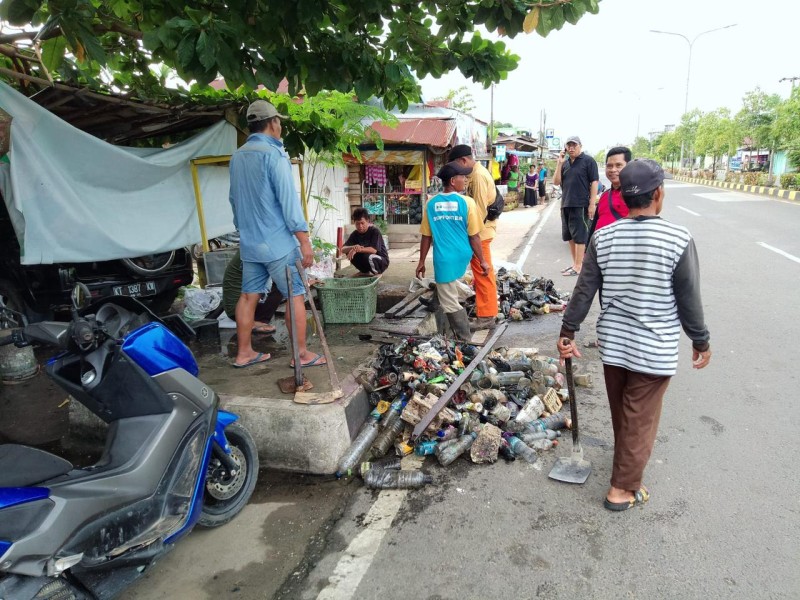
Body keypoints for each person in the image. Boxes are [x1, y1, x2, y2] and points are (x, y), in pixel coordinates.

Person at [556, 159, 712, 512]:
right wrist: (700, 341)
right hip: (653, 348)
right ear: (658, 194)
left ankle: (626, 463)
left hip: (614, 345)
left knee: (624, 410)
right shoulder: (678, 238)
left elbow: (584, 290)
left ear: (623, 197)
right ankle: (622, 489)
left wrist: (568, 330)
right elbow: (689, 298)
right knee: (640, 417)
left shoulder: (604, 236)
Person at [228, 99, 325, 369]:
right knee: (295, 294)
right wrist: (304, 240)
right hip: (278, 243)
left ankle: (244, 353)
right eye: (278, 122)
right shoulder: (274, 154)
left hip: (250, 242)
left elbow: (234, 200)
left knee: (248, 296)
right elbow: (288, 202)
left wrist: (245, 229)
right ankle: (301, 355)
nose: (279, 126)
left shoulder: (238, 156)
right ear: (272, 123)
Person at [416, 163, 489, 341]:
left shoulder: (431, 204)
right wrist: (483, 260)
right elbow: (474, 236)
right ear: (452, 181)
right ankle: (442, 315)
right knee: (447, 289)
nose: (464, 180)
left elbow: (426, 236)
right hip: (463, 256)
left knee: (449, 302)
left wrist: (421, 261)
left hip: (444, 259)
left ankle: (465, 339)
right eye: (462, 177)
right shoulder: (467, 203)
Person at [447, 144, 498, 330]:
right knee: (480, 273)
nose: (457, 171)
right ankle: (485, 310)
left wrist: (470, 237)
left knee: (483, 273)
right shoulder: (474, 173)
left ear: (463, 161)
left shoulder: (477, 176)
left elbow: (479, 212)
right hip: (480, 232)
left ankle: (486, 316)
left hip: (480, 234)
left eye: (456, 166)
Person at [553, 135, 599, 276]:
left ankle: (579, 266)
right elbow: (556, 182)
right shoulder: (565, 164)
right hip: (566, 204)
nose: (571, 148)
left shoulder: (588, 161)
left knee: (580, 236)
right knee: (570, 236)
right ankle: (575, 264)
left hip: (580, 204)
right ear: (565, 148)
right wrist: (559, 163)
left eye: (574, 145)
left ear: (580, 146)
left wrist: (592, 204)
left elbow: (595, 182)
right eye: (569, 145)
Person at [222, 248, 283, 334]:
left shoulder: (249, 247)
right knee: (282, 285)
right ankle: (256, 322)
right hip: (238, 312)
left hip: (235, 308)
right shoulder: (256, 252)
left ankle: (253, 321)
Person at [588, 146, 631, 239]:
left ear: (629, 166)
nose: (613, 170)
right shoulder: (604, 196)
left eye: (618, 165)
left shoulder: (636, 196)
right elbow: (595, 226)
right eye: (609, 166)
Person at [340, 207, 389, 276]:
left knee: (368, 256)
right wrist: (353, 247)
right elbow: (342, 249)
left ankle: (378, 272)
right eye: (357, 224)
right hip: (368, 258)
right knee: (349, 252)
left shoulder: (374, 231)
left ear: (368, 221)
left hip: (381, 260)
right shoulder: (354, 234)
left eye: (362, 223)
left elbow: (373, 250)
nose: (360, 226)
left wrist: (357, 249)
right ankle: (364, 271)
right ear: (354, 223)